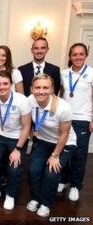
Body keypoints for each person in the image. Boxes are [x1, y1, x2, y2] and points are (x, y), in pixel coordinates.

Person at [26, 74, 76, 217]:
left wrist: (55, 155)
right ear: (32, 89)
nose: (41, 91)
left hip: (65, 142)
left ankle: (46, 204)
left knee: (51, 173)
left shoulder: (63, 107)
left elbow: (65, 134)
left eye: (45, 87)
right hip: (43, 140)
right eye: (37, 87)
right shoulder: (30, 100)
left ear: (52, 89)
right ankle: (35, 198)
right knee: (34, 170)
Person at [0, 71, 31, 210]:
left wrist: (18, 149)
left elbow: (26, 127)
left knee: (14, 167)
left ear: (11, 84)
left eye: (5, 83)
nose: (2, 87)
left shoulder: (22, 100)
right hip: (0, 136)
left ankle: (10, 195)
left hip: (18, 137)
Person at [58, 43, 93, 202]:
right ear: (70, 57)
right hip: (66, 118)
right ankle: (63, 180)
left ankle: (75, 185)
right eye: (75, 54)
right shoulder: (64, 74)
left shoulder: (92, 73)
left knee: (79, 155)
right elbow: (61, 95)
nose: (78, 57)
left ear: (85, 55)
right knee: (64, 151)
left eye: (81, 54)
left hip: (83, 119)